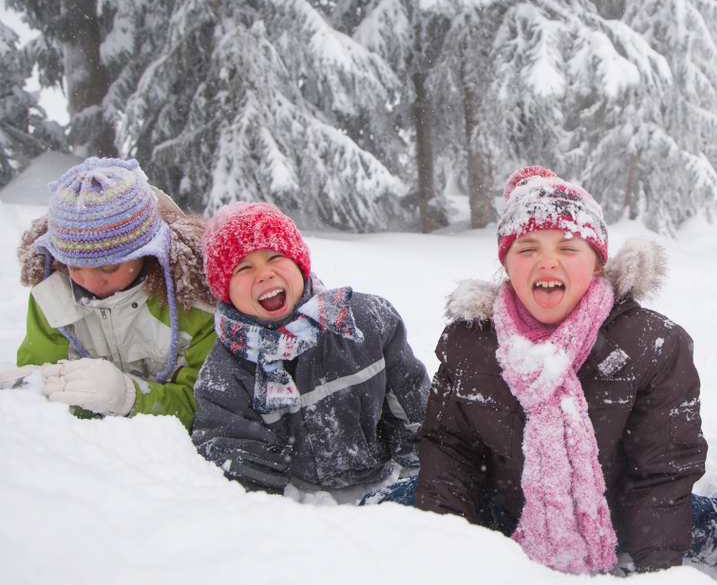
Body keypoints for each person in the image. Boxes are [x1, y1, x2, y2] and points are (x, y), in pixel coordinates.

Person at [416, 166, 713, 575]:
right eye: (527, 249)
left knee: (711, 526)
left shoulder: (651, 344)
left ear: (596, 264)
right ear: (506, 265)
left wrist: (658, 571)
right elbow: (450, 453)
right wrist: (446, 556)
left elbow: (662, 472)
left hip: (621, 520)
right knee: (384, 518)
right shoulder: (469, 345)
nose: (547, 262)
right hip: (508, 515)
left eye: (568, 248)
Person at [191, 201, 429, 504]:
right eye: (244, 267)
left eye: (275, 257)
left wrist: (420, 488)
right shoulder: (225, 373)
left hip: (387, 491)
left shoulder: (365, 321)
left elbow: (416, 414)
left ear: (299, 264)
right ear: (224, 290)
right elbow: (241, 474)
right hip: (304, 516)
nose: (264, 274)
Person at [15, 158, 217, 430]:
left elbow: (211, 408)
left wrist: (129, 397)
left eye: (108, 266)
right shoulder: (52, 299)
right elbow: (41, 396)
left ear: (149, 251)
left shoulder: (195, 304)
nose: (91, 282)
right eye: (75, 266)